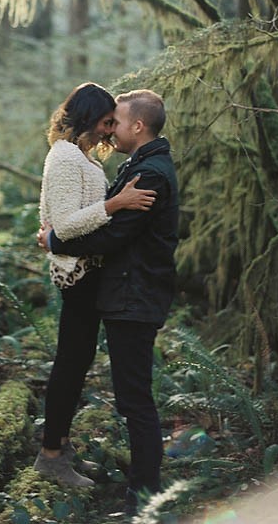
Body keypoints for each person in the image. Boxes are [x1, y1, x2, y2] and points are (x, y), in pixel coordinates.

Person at [39, 89, 179, 517]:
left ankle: (144, 498)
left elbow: (117, 232)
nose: (109, 129)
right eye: (105, 121)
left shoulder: (148, 171)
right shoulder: (119, 162)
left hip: (130, 292)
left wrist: (57, 238)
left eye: (114, 121)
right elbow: (88, 218)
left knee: (131, 396)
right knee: (78, 363)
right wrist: (60, 235)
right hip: (107, 285)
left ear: (137, 126)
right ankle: (54, 452)